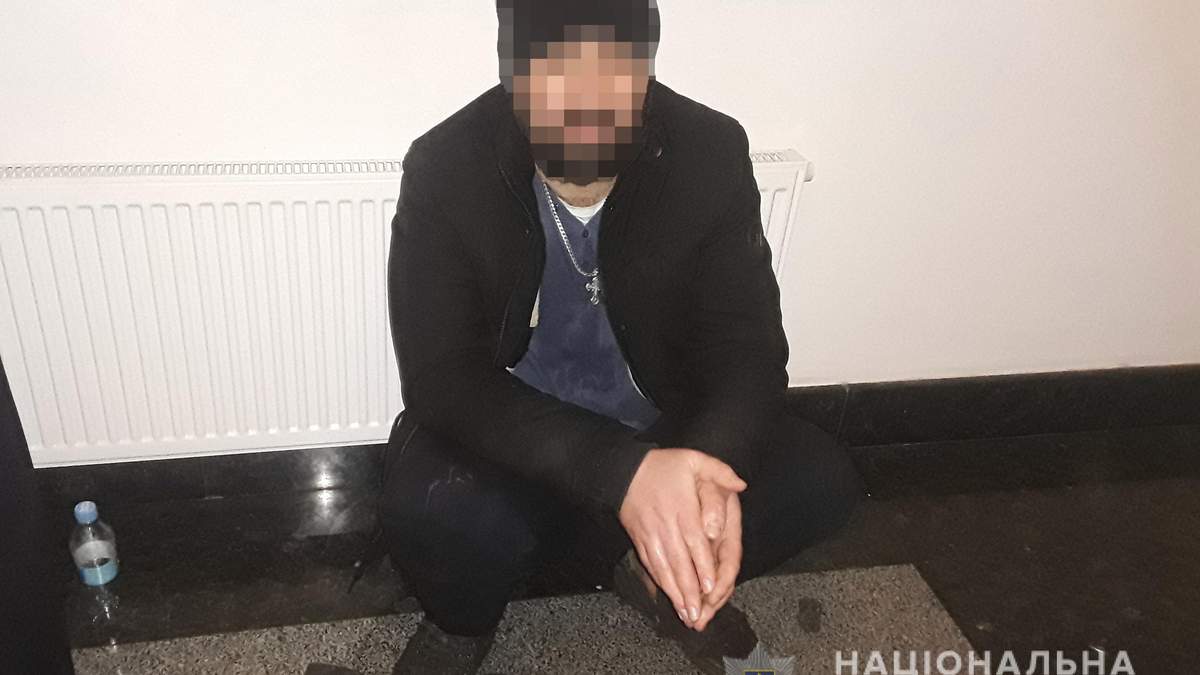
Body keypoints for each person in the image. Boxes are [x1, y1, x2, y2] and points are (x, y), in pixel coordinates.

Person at [380, 1, 866, 672]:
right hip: (518, 452)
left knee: (818, 479)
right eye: (557, 68)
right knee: (433, 508)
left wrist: (705, 473)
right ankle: (465, 622)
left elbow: (747, 346)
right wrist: (619, 473)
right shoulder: (446, 167)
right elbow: (443, 378)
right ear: (514, 73)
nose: (587, 96)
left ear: (646, 71)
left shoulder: (707, 151)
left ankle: (653, 570)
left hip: (662, 435)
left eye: (614, 67)